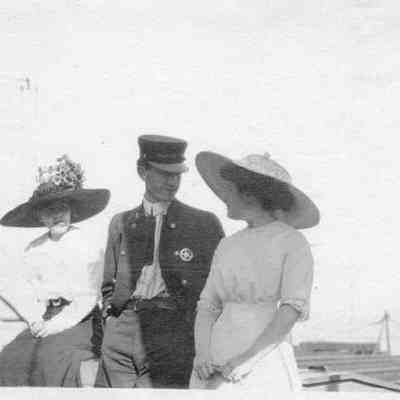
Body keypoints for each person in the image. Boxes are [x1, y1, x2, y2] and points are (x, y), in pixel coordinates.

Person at [95, 135, 224, 388]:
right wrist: (112, 322)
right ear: (142, 171)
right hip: (121, 329)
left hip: (172, 330)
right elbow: (109, 284)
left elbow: (218, 288)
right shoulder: (121, 223)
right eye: (164, 174)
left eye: (177, 175)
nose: (172, 182)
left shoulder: (203, 223)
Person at [190, 151, 320, 393]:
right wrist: (202, 353)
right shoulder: (227, 245)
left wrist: (248, 360)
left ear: (249, 194)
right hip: (218, 353)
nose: (224, 197)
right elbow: (207, 305)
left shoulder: (291, 242)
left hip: (264, 356)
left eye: (230, 190)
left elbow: (292, 308)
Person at [0, 155, 110, 386]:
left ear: (71, 210)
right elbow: (26, 290)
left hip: (80, 321)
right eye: (49, 211)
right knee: (10, 357)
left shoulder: (87, 244)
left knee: (52, 359)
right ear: (41, 217)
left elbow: (88, 297)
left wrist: (53, 327)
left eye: (62, 208)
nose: (57, 215)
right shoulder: (34, 249)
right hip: (45, 318)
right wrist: (35, 320)